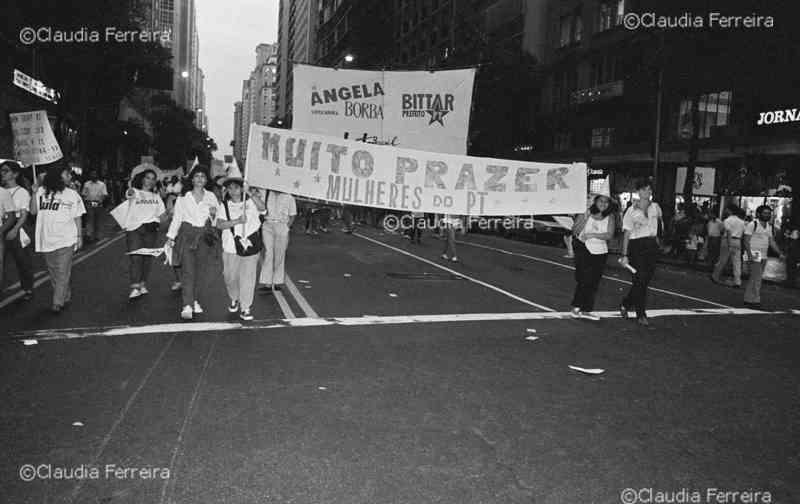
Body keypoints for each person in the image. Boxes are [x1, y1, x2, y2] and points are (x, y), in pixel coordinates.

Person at [165, 166, 220, 320]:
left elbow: (216, 221)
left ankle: (194, 300)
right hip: (186, 236)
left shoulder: (211, 197)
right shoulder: (183, 198)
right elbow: (177, 219)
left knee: (201, 272)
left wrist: (214, 215)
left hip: (205, 237)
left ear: (206, 179)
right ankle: (187, 304)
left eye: (203, 176)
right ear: (192, 179)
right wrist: (170, 238)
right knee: (188, 271)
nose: (200, 179)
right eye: (197, 176)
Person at [30, 164, 86, 313]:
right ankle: (64, 295)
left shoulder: (72, 194)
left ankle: (57, 302)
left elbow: (77, 216)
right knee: (53, 271)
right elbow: (33, 211)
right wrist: (33, 192)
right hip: (46, 238)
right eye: (67, 174)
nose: (70, 177)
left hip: (66, 238)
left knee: (62, 271)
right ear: (57, 176)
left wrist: (79, 236)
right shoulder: (41, 191)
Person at [217, 169, 264, 321]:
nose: (233, 190)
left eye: (236, 187)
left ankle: (245, 307)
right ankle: (234, 297)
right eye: (229, 188)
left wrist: (249, 193)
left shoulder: (250, 201)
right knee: (230, 277)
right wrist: (237, 221)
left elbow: (263, 209)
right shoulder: (224, 205)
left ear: (241, 187)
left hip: (250, 246)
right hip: (231, 247)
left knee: (248, 277)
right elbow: (219, 225)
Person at [619, 178, 663, 327]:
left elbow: (660, 226)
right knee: (640, 278)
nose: (647, 192)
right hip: (636, 246)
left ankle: (626, 303)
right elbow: (626, 234)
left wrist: (659, 242)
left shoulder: (656, 207)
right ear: (638, 191)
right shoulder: (631, 210)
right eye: (644, 189)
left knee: (644, 281)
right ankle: (641, 313)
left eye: (650, 189)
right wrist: (624, 254)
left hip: (651, 246)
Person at [119, 169, 167, 300]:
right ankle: (135, 287)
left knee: (146, 259)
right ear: (142, 179)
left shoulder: (156, 197)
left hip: (151, 230)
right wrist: (130, 185)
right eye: (147, 178)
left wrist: (170, 214)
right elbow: (128, 194)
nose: (150, 181)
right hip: (134, 229)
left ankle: (142, 283)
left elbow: (162, 216)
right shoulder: (133, 192)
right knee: (136, 257)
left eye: (153, 179)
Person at [570, 195, 616, 320]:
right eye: (601, 201)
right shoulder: (586, 213)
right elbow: (575, 230)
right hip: (583, 248)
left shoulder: (610, 217)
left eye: (606, 202)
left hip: (601, 251)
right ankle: (576, 307)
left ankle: (586, 309)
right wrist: (585, 218)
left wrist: (592, 235)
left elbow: (609, 235)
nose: (604, 204)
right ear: (595, 202)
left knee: (594, 281)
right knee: (583, 279)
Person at [1, 161, 34, 300]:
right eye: (2, 171)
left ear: (15, 174)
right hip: (2, 227)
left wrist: (15, 229)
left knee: (22, 261)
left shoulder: (22, 192)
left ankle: (28, 288)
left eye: (6, 171)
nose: (2, 173)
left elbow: (24, 213)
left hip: (16, 228)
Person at [742, 205, 785, 309]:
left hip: (764, 256)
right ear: (759, 214)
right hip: (754, 255)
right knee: (757, 278)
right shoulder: (753, 224)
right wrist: (750, 254)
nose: (767, 215)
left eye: (769, 213)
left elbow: (771, 241)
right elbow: (746, 240)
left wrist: (779, 253)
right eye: (765, 213)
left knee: (754, 278)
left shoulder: (769, 226)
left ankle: (748, 299)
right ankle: (756, 300)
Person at [258, 189, 296, 292]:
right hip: (268, 225)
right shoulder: (266, 193)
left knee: (279, 254)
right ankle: (267, 283)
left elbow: (293, 215)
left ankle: (277, 281)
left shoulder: (289, 196)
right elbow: (260, 209)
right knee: (269, 253)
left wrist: (287, 227)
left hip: (282, 225)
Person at [712, 204, 746, 287]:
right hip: (738, 241)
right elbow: (743, 233)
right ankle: (737, 281)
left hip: (727, 241)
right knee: (737, 262)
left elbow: (728, 232)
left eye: (727, 209)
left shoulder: (727, 220)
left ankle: (715, 276)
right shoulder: (742, 222)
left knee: (722, 260)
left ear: (730, 210)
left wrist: (729, 244)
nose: (725, 211)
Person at [81, 170, 108, 243]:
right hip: (89, 203)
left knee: (98, 220)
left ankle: (97, 235)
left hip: (98, 203)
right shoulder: (86, 184)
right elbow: (83, 194)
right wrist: (85, 202)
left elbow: (104, 194)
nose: (93, 176)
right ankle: (89, 235)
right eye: (92, 174)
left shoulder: (102, 184)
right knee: (90, 219)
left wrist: (100, 201)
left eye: (94, 174)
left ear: (97, 176)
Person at [784, 223, 800, 289]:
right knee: (790, 270)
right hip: (791, 258)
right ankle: (790, 282)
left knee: (792, 271)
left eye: (794, 234)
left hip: (794, 258)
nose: (792, 234)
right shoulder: (793, 241)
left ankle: (791, 283)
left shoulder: (796, 242)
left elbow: (796, 251)